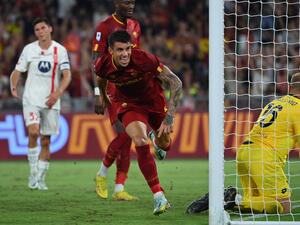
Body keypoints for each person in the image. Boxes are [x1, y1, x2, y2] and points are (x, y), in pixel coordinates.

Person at [94, 30, 182, 215]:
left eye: (127, 49)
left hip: (154, 101)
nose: (125, 54)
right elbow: (101, 79)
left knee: (165, 145)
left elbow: (176, 82)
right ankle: (159, 196)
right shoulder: (102, 65)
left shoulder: (144, 59)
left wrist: (170, 117)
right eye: (120, 50)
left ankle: (155, 138)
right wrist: (101, 98)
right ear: (110, 50)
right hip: (128, 104)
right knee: (140, 140)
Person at [186, 72, 300, 214]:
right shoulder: (298, 109)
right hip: (265, 158)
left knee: (253, 204)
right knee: (284, 208)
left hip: (245, 152)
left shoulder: (276, 102)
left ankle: (222, 199)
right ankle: (232, 200)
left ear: (290, 87)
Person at [92, 0, 166, 201]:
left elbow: (136, 56)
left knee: (129, 137)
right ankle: (102, 173)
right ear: (116, 3)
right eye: (126, 2)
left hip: (135, 88)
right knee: (125, 133)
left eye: (133, 2)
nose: (131, 5)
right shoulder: (105, 26)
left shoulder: (135, 25)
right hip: (114, 90)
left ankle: (118, 188)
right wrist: (98, 94)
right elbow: (96, 63)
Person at [10, 17, 71, 190]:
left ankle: (41, 178)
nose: (40, 32)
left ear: (50, 29)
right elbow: (17, 70)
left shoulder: (60, 50)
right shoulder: (29, 49)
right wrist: (13, 85)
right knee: (34, 132)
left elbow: (67, 75)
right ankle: (32, 173)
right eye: (37, 29)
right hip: (31, 99)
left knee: (46, 141)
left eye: (43, 28)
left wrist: (57, 94)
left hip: (52, 101)